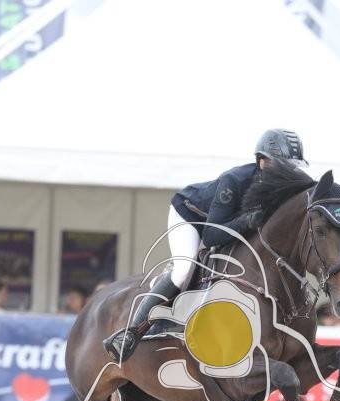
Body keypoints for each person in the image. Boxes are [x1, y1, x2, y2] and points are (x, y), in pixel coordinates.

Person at [105, 128, 308, 362]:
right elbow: (211, 236)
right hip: (192, 217)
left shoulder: (286, 187)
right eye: (283, 166)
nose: (289, 172)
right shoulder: (235, 181)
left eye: (292, 167)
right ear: (262, 162)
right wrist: (246, 221)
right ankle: (132, 332)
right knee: (183, 271)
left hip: (229, 226)